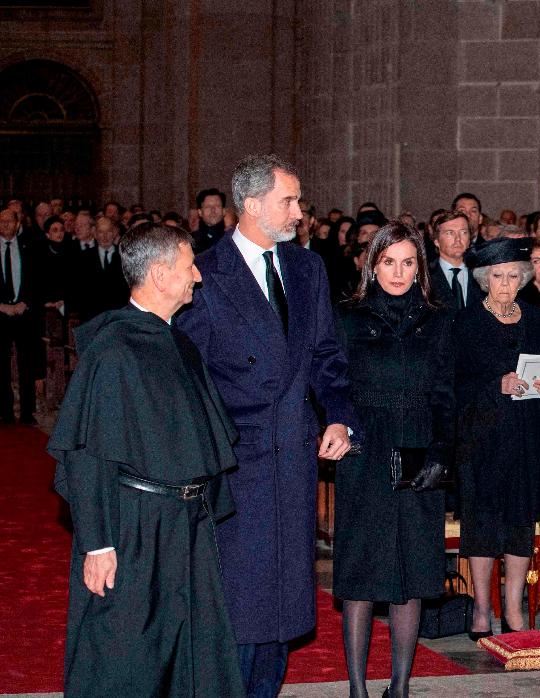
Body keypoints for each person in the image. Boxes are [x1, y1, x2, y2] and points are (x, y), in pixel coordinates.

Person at [177, 154, 359, 698]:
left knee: (282, 601)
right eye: (290, 200)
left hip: (294, 457)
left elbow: (327, 355)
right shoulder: (204, 272)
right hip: (238, 464)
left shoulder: (307, 268)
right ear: (252, 205)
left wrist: (341, 417)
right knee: (241, 599)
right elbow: (190, 374)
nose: (301, 212)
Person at [49, 222, 244, 696]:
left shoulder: (178, 342)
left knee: (190, 656)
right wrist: (97, 544)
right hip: (133, 527)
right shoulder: (113, 350)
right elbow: (87, 455)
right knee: (127, 659)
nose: (197, 277)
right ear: (159, 275)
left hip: (185, 525)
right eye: (188, 267)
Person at [333, 223, 453, 698]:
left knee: (411, 572)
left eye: (408, 262)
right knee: (361, 574)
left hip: (419, 448)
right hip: (366, 450)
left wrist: (443, 453)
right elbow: (333, 386)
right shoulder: (349, 318)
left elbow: (447, 395)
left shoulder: (437, 320)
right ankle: (358, 690)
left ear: (420, 267)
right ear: (372, 264)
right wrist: (339, 426)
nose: (398, 272)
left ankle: (400, 687)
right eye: (389, 262)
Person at [452, 237, 540, 638]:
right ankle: (483, 609)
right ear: (484, 279)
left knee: (520, 524)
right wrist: (494, 384)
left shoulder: (537, 320)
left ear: (524, 278)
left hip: (528, 437)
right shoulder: (466, 323)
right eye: (497, 276)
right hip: (482, 440)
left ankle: (513, 610)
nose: (505, 283)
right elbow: (452, 385)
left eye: (513, 276)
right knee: (482, 525)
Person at [0, 208, 47, 424]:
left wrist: (25, 303)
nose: (5, 225)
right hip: (0, 313)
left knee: (26, 362)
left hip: (24, 313)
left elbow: (38, 280)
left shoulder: (30, 247)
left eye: (9, 221)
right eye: (1, 222)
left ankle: (27, 412)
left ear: (18, 223)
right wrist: (2, 306)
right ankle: (5, 412)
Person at [427, 209, 483, 312]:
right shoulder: (425, 276)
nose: (458, 239)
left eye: (463, 232)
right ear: (436, 240)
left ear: (469, 239)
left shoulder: (482, 274)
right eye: (450, 233)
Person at [193, 188, 228, 252]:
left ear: (224, 211)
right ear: (200, 212)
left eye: (217, 206)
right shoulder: (191, 241)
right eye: (208, 207)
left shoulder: (233, 239)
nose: (213, 210)